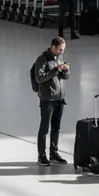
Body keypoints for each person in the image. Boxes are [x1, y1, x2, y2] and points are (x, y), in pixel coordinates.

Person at [30, 37, 70, 166]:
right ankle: (41, 155)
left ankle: (54, 152)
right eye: (60, 49)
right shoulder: (42, 59)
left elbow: (65, 77)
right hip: (47, 99)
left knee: (56, 128)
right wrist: (55, 70)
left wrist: (65, 70)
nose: (61, 52)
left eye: (63, 50)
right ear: (53, 47)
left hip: (59, 98)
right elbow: (39, 78)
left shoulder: (59, 57)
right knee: (44, 128)